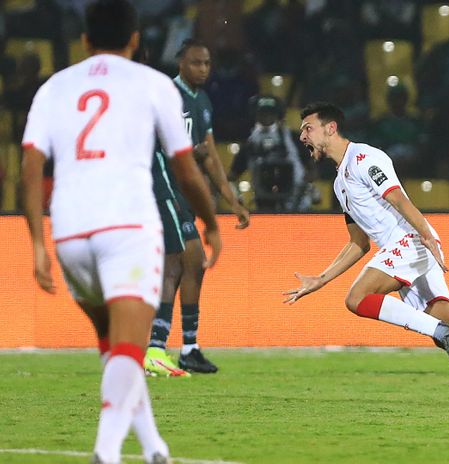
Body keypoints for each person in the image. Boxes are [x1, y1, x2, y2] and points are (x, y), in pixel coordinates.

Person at [20, 1, 221, 462]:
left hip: (70, 233)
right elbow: (187, 169)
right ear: (134, 39)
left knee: (116, 347)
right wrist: (211, 223)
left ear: (85, 40)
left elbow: (29, 169)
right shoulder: (153, 85)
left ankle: (154, 447)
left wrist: (36, 242)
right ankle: (106, 452)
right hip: (128, 228)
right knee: (130, 349)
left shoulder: (54, 87)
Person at [284, 102, 449, 406]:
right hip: (406, 249)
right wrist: (321, 279)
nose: (303, 136)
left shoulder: (364, 158)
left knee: (356, 299)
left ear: (330, 128)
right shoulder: (339, 182)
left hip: (411, 240)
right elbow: (358, 242)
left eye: (308, 128)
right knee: (446, 336)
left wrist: (424, 235)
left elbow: (396, 197)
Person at [144, 38, 249, 376]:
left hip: (186, 196)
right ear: (180, 64)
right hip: (163, 190)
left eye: (206, 64)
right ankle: (155, 349)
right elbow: (162, 147)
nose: (202, 69)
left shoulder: (202, 101)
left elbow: (211, 155)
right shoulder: (168, 97)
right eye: (195, 63)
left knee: (194, 264)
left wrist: (232, 200)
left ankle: (188, 348)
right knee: (174, 262)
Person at [229, 95, 307, 211]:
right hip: (264, 200)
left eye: (271, 113)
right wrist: (237, 198)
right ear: (255, 115)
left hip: (295, 199)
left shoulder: (294, 139)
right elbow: (232, 176)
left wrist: (306, 186)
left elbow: (311, 168)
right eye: (262, 113)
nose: (266, 117)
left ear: (278, 115)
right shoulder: (249, 144)